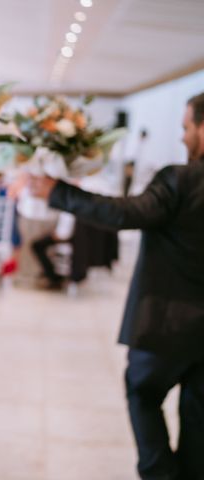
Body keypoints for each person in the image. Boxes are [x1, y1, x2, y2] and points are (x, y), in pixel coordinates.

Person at [28, 92, 204, 480]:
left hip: (166, 324)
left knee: (142, 394)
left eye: (186, 128)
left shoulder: (181, 179)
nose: (183, 137)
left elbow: (124, 213)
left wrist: (59, 192)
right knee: (199, 419)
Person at [31, 211, 75, 289]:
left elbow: (63, 234)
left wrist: (56, 235)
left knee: (37, 245)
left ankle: (53, 277)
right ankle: (51, 275)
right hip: (62, 234)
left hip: (64, 237)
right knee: (38, 245)